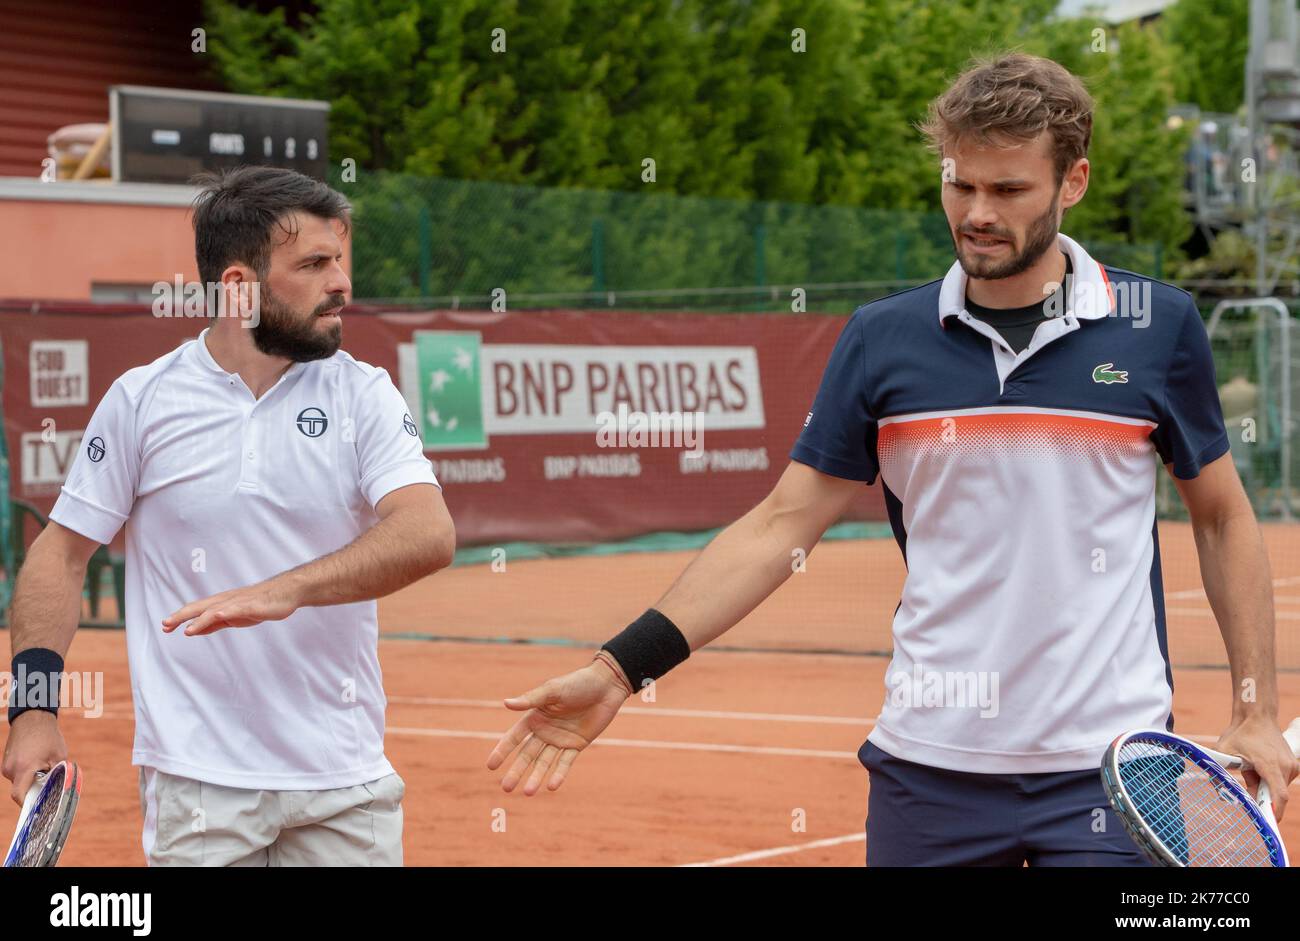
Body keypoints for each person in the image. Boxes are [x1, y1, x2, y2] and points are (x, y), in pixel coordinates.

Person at [486, 52, 1298, 866]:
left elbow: (1223, 517)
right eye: (960, 184)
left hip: (1113, 776)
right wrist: (623, 667)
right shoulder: (882, 340)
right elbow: (781, 526)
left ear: (1073, 182)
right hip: (927, 772)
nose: (977, 212)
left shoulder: (1159, 327)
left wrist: (1253, 706)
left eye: (1007, 190)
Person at [2, 165, 455, 866]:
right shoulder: (141, 400)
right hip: (198, 785)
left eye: (341, 261)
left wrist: (282, 589)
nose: (343, 284)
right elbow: (58, 557)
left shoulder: (364, 394)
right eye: (314, 264)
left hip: (345, 779)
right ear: (239, 286)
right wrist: (31, 711)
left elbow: (427, 532)